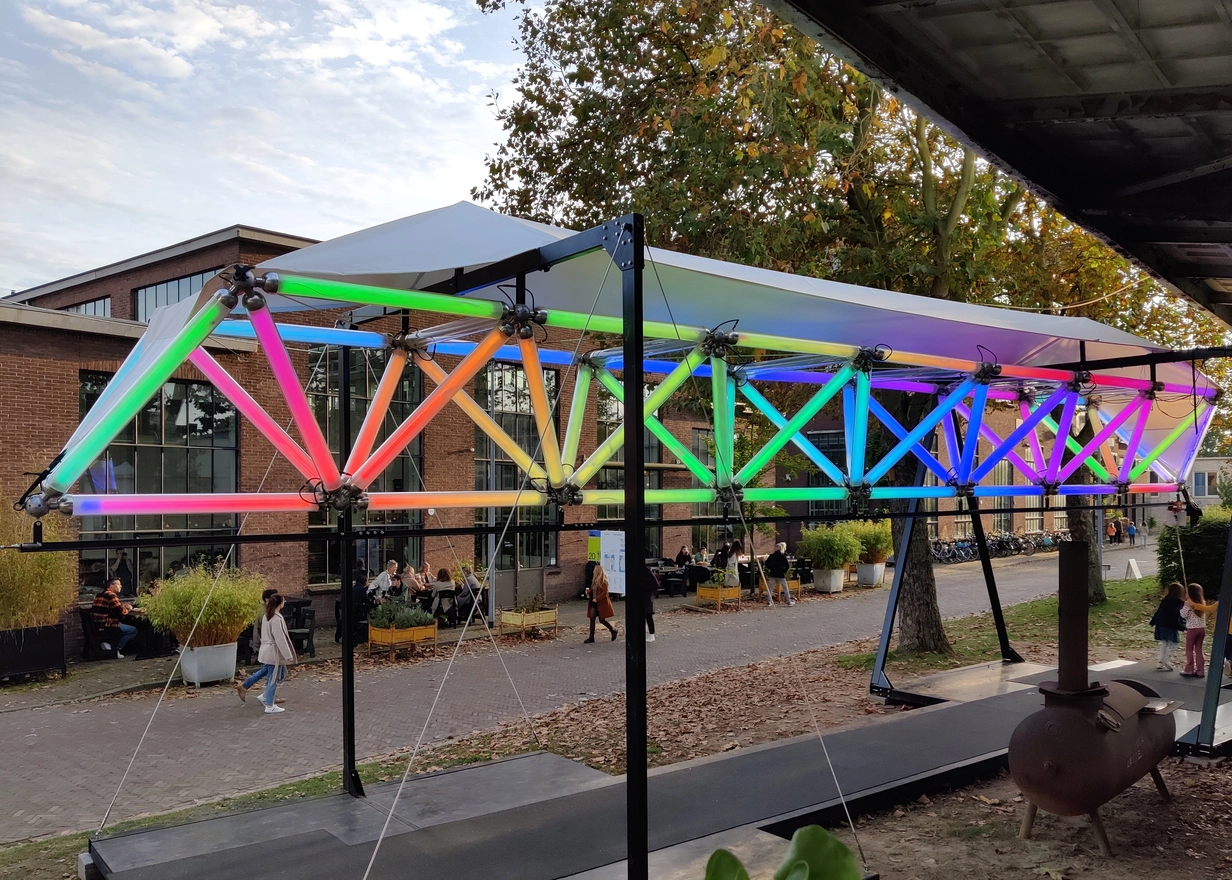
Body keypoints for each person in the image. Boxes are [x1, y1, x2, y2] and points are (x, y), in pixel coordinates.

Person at [238, 588, 285, 699]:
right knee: (274, 673)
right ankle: (270, 697)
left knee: (267, 670)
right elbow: (267, 632)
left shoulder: (267, 611)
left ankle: (246, 686)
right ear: (267, 600)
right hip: (267, 646)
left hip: (265, 646)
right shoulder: (268, 613)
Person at [254, 592, 296, 713]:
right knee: (273, 678)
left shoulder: (267, 615)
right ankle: (269, 705)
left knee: (271, 676)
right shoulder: (277, 618)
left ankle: (265, 697)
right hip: (273, 653)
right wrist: (288, 655)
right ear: (280, 603)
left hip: (266, 650)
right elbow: (280, 639)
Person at [91, 577, 136, 657]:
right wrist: (129, 608)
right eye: (118, 584)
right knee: (133, 630)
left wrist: (122, 606)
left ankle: (110, 647)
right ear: (111, 585)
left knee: (123, 625)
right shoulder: (111, 595)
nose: (121, 586)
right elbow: (121, 612)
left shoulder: (100, 594)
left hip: (96, 624)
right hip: (106, 625)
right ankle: (115, 649)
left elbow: (113, 607)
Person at [1181, 583, 1216, 678]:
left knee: (1189, 649)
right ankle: (1200, 671)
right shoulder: (1202, 602)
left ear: (1190, 593)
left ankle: (1189, 669)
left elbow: (1183, 615)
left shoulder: (1189, 603)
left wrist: (1185, 605)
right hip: (1201, 629)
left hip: (1192, 629)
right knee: (1199, 649)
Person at [1149, 582, 1185, 671]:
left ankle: (1161, 661)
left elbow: (1159, 611)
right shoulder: (1179, 603)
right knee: (1174, 642)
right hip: (1170, 625)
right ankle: (1166, 659)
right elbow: (1177, 615)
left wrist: (1153, 621)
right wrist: (1183, 626)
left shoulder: (1165, 600)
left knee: (1165, 642)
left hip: (1161, 623)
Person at [585, 565, 618, 643]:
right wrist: (588, 592)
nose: (593, 572)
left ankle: (613, 630)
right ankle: (591, 637)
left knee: (602, 620)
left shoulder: (604, 582)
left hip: (601, 603)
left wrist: (597, 598)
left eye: (594, 571)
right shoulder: (594, 582)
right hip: (593, 603)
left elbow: (605, 593)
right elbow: (593, 591)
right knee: (592, 618)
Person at [765, 542, 795, 607]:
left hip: (773, 574)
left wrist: (771, 568)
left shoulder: (771, 556)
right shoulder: (783, 557)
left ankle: (769, 602)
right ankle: (789, 601)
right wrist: (784, 571)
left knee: (770, 589)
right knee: (785, 588)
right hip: (780, 574)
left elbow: (766, 563)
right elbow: (787, 565)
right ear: (781, 548)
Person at [643, 565, 658, 642]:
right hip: (645, 597)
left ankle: (652, 634)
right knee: (645, 616)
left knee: (648, 615)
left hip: (647, 597)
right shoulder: (645, 572)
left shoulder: (646, 573)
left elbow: (655, 585)